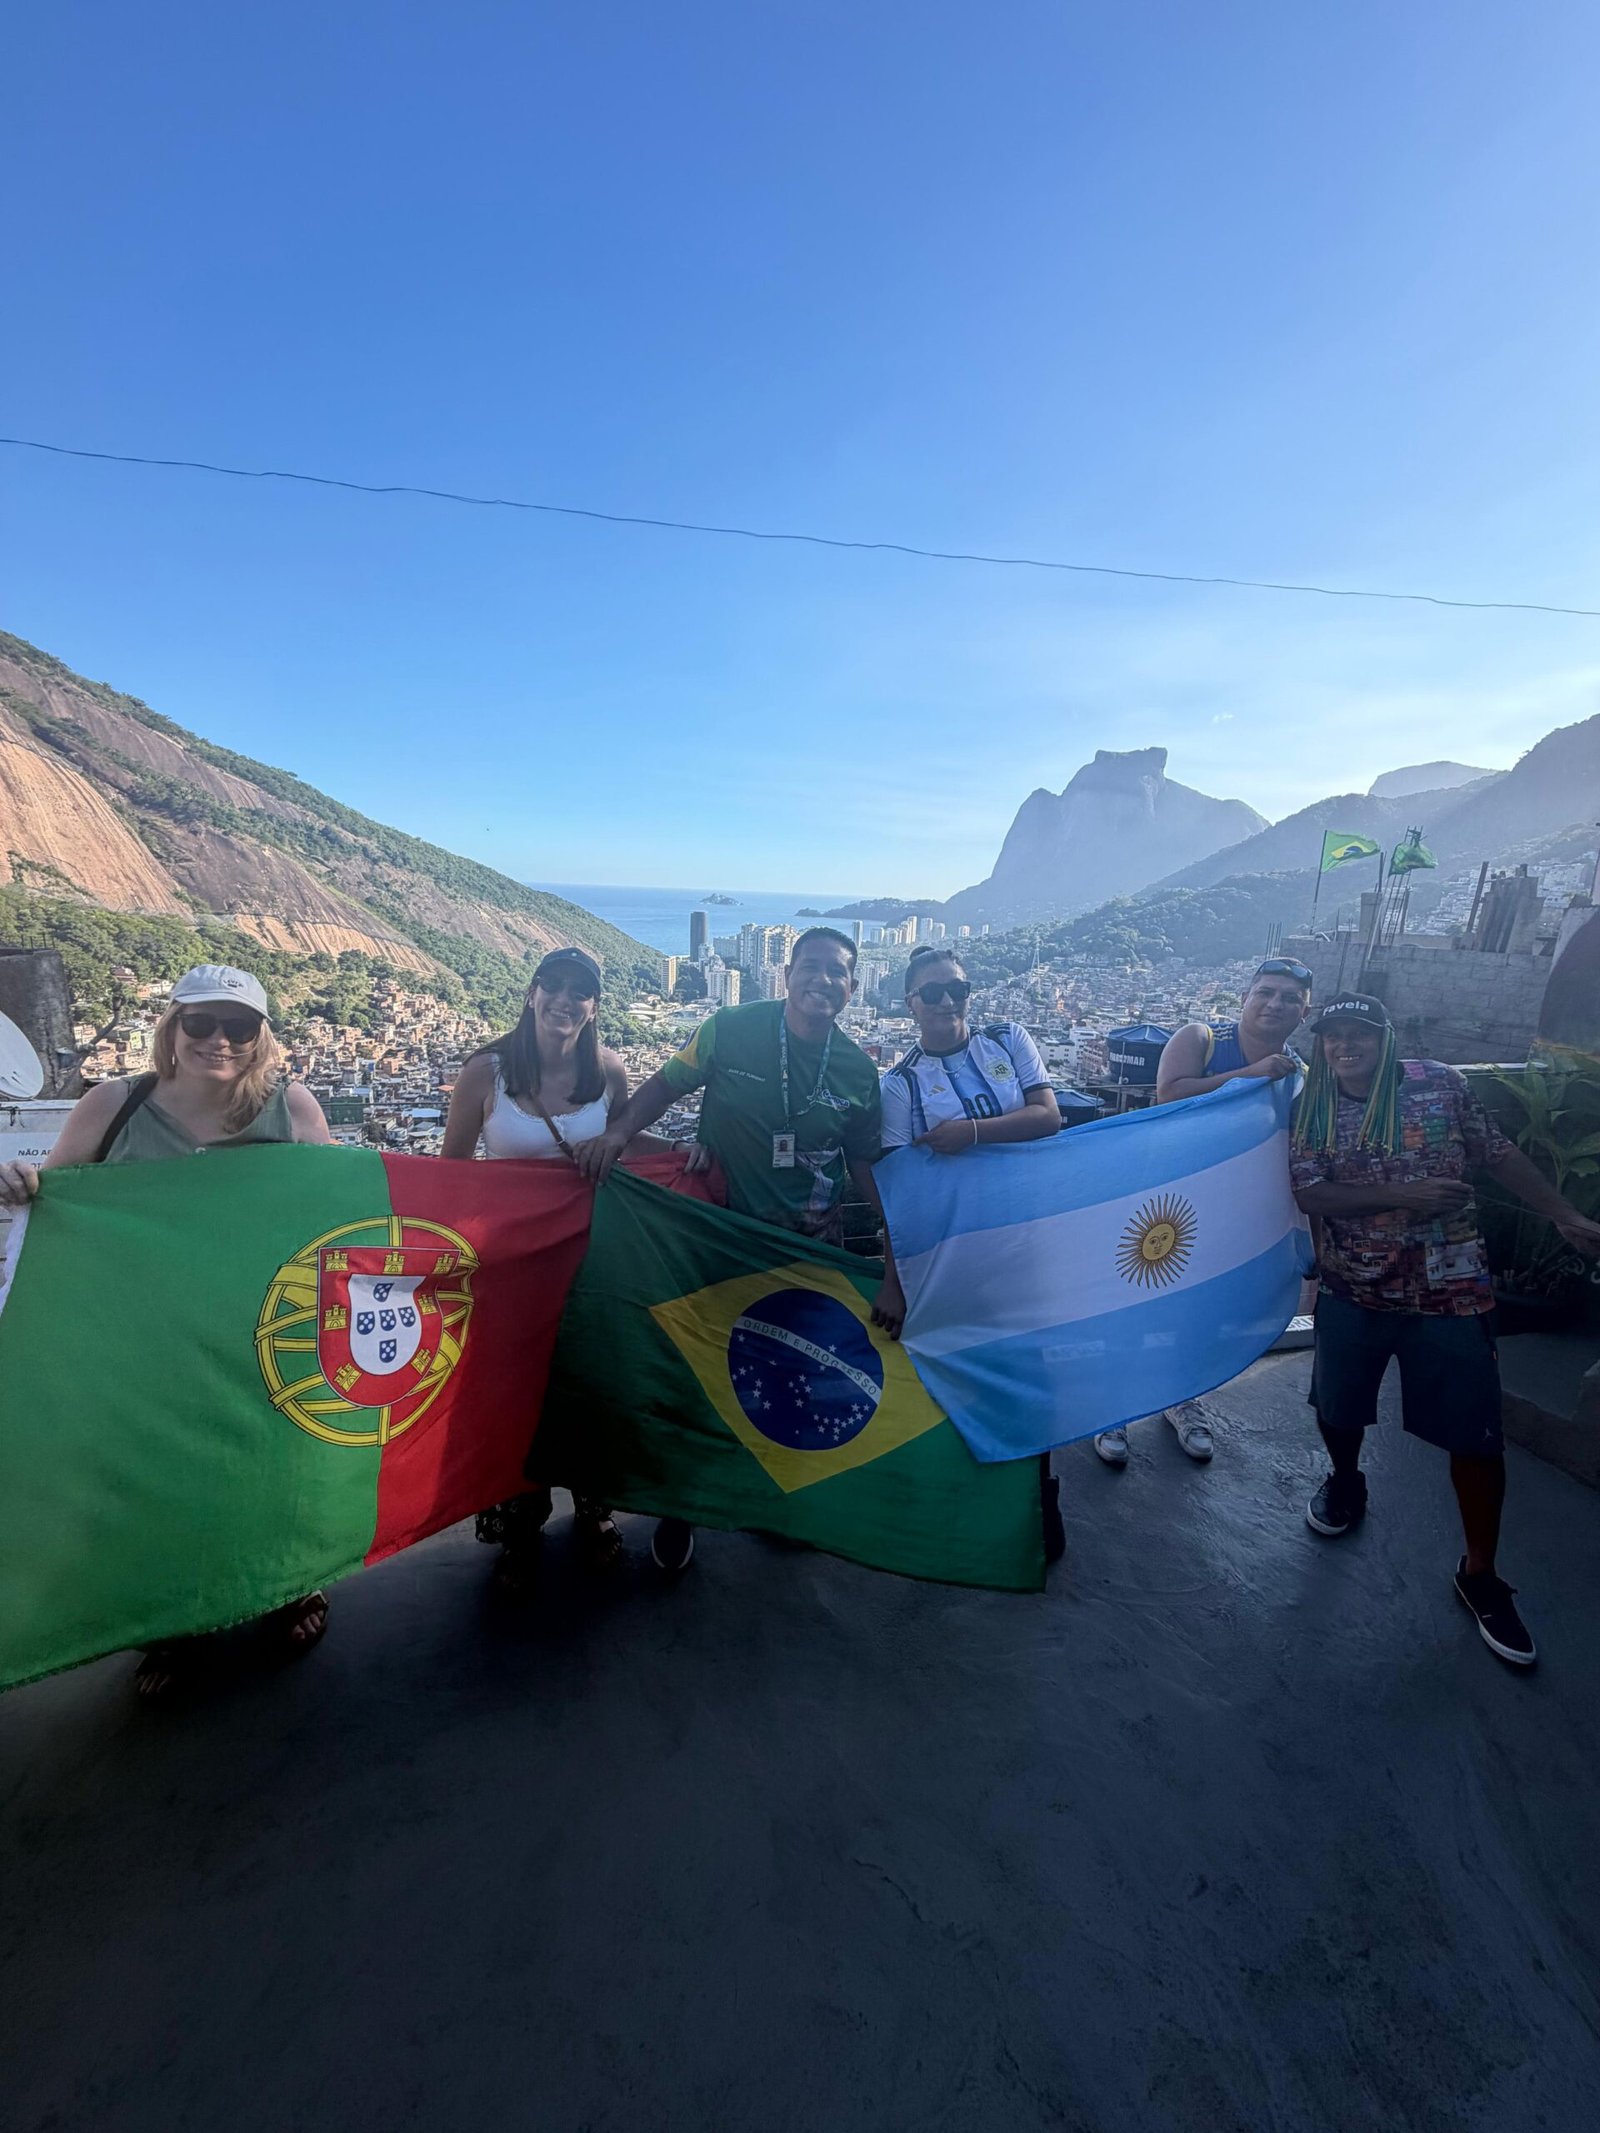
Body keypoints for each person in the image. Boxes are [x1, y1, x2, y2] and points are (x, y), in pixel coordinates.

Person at [0, 964, 335, 1700]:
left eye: (239, 1026)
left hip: (258, 1331)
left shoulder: (293, 1109)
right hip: (146, 1339)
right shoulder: (114, 1105)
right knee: (156, 1475)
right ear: (172, 1028)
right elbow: (59, 1200)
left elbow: (337, 1214)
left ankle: (291, 1587)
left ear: (260, 1037)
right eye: (202, 1023)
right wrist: (22, 1185)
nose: (219, 1039)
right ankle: (169, 1621)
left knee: (271, 1470)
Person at [1290, 994, 1600, 1667]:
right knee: (1338, 1410)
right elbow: (1310, 1193)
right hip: (1354, 1289)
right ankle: (1347, 1481)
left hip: (1451, 1291)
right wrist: (1407, 1195)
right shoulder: (1311, 1105)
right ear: (1322, 1045)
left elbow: (1500, 1154)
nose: (1346, 1045)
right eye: (1334, 1035)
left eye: (1359, 1033)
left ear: (1386, 1038)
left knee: (1477, 1438)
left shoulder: (1442, 1083)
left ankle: (1480, 1573)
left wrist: (1562, 1215)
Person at [578, 927, 885, 1572]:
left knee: (794, 1377)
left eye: (837, 972)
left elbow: (865, 1166)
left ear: (852, 988)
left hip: (810, 1246)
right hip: (717, 1230)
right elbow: (663, 1087)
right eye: (811, 967)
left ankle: (780, 1501)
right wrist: (617, 1134)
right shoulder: (729, 1028)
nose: (822, 980)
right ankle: (682, 1503)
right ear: (786, 973)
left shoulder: (859, 1070)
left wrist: (899, 1245)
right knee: (699, 1368)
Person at [442, 945, 645, 1592]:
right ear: (531, 993)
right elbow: (450, 1172)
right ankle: (518, 1528)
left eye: (579, 991)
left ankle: (594, 1511)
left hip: (587, 1264)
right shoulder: (487, 1073)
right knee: (513, 1400)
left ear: (593, 1006)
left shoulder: (607, 1071)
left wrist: (693, 1153)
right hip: (506, 1271)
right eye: (552, 986)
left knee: (590, 1387)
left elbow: (629, 1142)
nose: (564, 999)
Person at [875, 946, 1066, 1561]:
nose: (948, 1001)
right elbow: (899, 1190)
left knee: (1031, 1372)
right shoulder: (900, 1085)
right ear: (910, 1004)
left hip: (1026, 1240)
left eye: (958, 988)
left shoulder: (1006, 1040)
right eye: (932, 992)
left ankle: (1039, 1500)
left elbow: (1049, 1117)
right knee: (961, 1375)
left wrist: (972, 1134)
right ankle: (970, 1506)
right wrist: (894, 1280)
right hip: (953, 1255)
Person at [1093, 955, 1314, 1468]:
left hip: (1231, 1212)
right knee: (1137, 1300)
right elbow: (1171, 1093)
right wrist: (1253, 1075)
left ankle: (1181, 1398)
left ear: (1304, 1013)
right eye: (1266, 992)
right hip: (1163, 1200)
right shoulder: (1202, 1039)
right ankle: (1113, 1408)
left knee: (1199, 1308)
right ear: (1245, 998)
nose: (1274, 1003)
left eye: (1289, 998)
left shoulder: (1302, 1072)